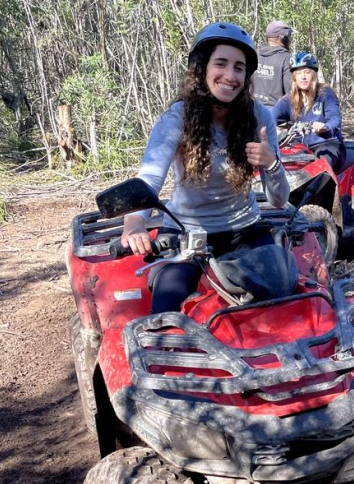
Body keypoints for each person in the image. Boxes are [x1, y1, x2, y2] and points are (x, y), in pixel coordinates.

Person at [120, 22, 290, 314]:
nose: (230, 75)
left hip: (244, 229)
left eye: (239, 68)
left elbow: (279, 200)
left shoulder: (259, 116)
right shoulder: (177, 118)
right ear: (201, 69)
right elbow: (150, 176)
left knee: (285, 299)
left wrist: (271, 163)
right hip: (186, 233)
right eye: (220, 64)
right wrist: (134, 222)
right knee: (165, 309)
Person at [270, 52, 346, 173]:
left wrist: (325, 128)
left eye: (307, 72)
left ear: (313, 75)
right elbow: (269, 117)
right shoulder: (288, 100)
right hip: (300, 146)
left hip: (327, 144)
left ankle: (320, 192)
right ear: (294, 77)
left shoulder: (325, 94)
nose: (303, 77)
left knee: (322, 168)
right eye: (298, 73)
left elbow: (335, 119)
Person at [251, 20, 293, 107]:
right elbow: (290, 92)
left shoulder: (255, 55)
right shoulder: (286, 58)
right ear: (282, 38)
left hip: (251, 109)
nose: (290, 40)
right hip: (274, 113)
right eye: (289, 36)